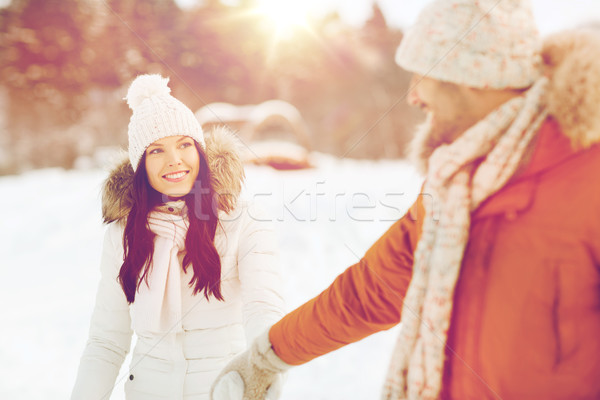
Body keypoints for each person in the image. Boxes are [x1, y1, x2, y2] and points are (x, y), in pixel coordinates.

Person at [210, 1, 600, 399]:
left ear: (473, 76)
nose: (413, 95)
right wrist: (269, 355)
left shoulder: (589, 182)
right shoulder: (452, 186)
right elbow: (370, 291)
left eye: (423, 73)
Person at [71, 74, 285, 400]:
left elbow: (263, 310)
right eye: (156, 150)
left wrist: (264, 373)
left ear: (200, 150)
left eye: (185, 144)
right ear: (140, 165)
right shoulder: (123, 235)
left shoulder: (244, 222)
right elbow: (106, 341)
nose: (174, 160)